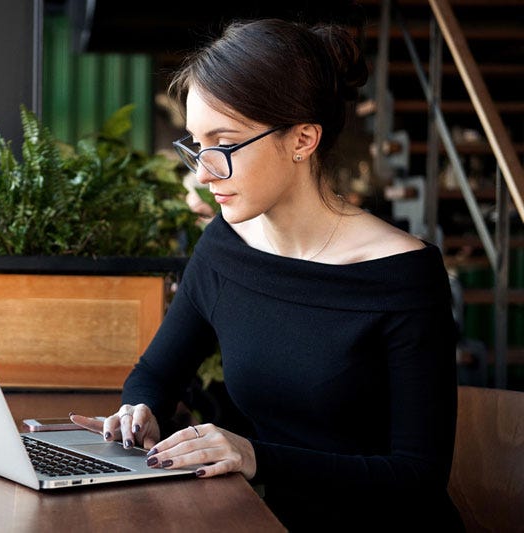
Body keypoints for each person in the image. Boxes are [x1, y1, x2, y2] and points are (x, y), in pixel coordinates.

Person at [71, 18, 463, 531]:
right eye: (195, 144)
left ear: (302, 139)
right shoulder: (224, 247)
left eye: (224, 144)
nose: (202, 173)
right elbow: (156, 374)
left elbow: (417, 477)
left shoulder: (403, 276)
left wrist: (255, 456)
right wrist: (138, 411)